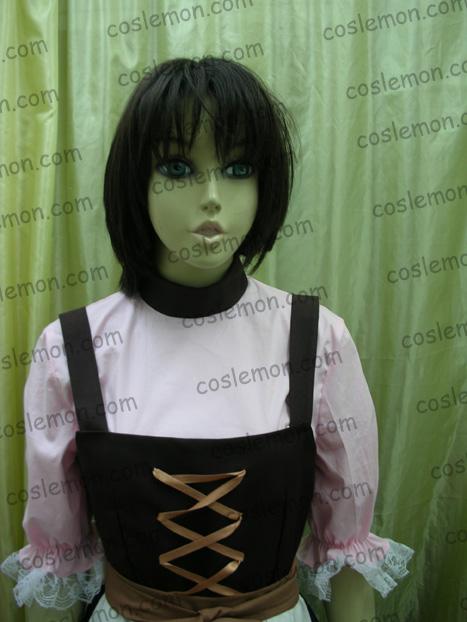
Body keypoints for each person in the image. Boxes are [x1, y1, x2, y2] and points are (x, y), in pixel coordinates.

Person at [1, 56, 414, 622]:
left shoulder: (318, 338)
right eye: (177, 166)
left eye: (239, 167)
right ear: (135, 182)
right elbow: (57, 565)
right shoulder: (71, 350)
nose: (212, 195)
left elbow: (348, 558)